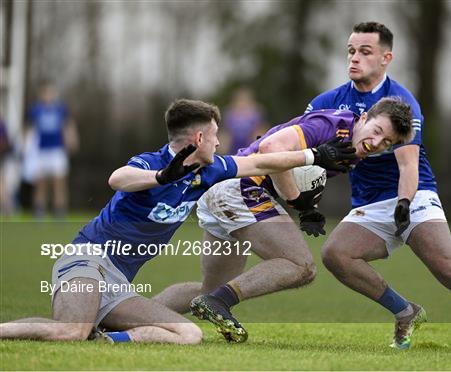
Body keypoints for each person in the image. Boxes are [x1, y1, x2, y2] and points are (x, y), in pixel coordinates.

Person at [0, 99, 354, 344]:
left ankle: (108, 340)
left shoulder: (212, 168)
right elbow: (118, 179)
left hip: (118, 283)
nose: (221, 141)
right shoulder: (149, 162)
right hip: (86, 262)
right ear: (199, 138)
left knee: (189, 334)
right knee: (69, 331)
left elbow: (259, 163)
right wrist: (160, 178)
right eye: (215, 135)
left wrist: (313, 154)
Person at [308, 22, 451, 353]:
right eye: (351, 51)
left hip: (413, 194)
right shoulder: (329, 101)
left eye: (365, 52)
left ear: (386, 58)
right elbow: (300, 141)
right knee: (336, 254)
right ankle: (406, 311)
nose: (354, 58)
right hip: (369, 203)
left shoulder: (401, 103)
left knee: (449, 271)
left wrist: (404, 205)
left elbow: (408, 165)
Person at [153, 97, 415, 343]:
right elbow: (271, 147)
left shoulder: (353, 152)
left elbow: (303, 172)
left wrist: (307, 207)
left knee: (210, 289)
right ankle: (219, 302)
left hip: (223, 190)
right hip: (240, 187)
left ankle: (130, 317)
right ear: (364, 118)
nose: (377, 142)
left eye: (386, 142)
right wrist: (297, 202)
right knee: (301, 266)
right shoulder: (332, 125)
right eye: (378, 131)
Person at [26, 82, 79, 218]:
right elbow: (29, 128)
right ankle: (39, 210)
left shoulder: (60, 109)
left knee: (59, 182)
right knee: (41, 182)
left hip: (57, 150)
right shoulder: (36, 110)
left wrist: (72, 139)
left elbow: (68, 125)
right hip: (41, 151)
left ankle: (59, 210)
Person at [222, 87, 266, 154]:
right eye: (240, 100)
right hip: (233, 146)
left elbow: (260, 129)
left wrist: (258, 145)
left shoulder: (255, 113)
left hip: (250, 145)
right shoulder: (229, 113)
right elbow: (226, 132)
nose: (242, 102)